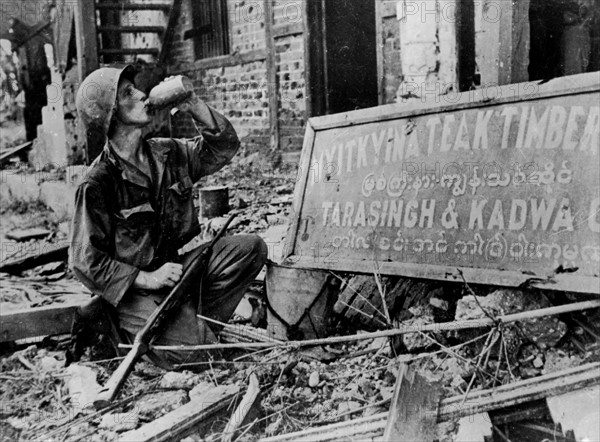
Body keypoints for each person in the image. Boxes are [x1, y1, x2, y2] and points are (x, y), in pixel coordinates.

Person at [69, 65, 267, 366]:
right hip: (133, 293)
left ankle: (193, 324)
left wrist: (194, 107)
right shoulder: (98, 181)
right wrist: (147, 279)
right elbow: (85, 261)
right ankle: (125, 331)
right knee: (207, 357)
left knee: (249, 249)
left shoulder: (166, 153)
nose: (141, 93)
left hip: (174, 273)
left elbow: (225, 146)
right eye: (127, 93)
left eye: (135, 87)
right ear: (109, 115)